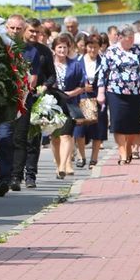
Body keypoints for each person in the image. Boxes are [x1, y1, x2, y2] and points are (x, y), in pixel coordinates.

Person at [96, 25, 140, 164]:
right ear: (120, 38)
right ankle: (122, 153)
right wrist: (101, 92)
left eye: (133, 38)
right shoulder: (111, 51)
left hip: (135, 93)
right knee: (118, 122)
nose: (132, 41)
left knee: (133, 125)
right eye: (129, 38)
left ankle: (128, 148)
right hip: (115, 92)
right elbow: (103, 73)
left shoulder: (138, 50)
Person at [9, 18, 55, 190]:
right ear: (24, 31)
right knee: (17, 137)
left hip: (37, 97)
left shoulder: (43, 51)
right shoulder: (15, 48)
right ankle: (16, 174)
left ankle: (31, 175)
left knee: (32, 138)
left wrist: (45, 86)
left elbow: (52, 75)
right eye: (31, 31)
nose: (34, 34)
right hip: (22, 96)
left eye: (38, 32)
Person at [0, 14, 28, 195]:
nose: (14, 31)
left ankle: (4, 179)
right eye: (11, 28)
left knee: (4, 140)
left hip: (8, 104)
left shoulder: (24, 50)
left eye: (18, 28)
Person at [48, 33, 87, 179]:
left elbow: (82, 85)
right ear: (54, 49)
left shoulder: (75, 65)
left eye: (64, 47)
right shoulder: (49, 65)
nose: (62, 50)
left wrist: (71, 93)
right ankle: (59, 165)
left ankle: (64, 165)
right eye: (59, 47)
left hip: (70, 104)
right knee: (55, 137)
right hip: (52, 105)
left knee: (66, 135)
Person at [73, 33, 108, 167]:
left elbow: (107, 79)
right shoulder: (78, 61)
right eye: (90, 47)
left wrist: (101, 92)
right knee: (79, 129)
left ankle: (94, 158)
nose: (92, 50)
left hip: (99, 97)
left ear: (100, 47)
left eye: (95, 47)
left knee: (97, 129)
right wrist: (82, 88)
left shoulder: (104, 61)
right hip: (81, 96)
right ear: (85, 47)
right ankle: (81, 156)